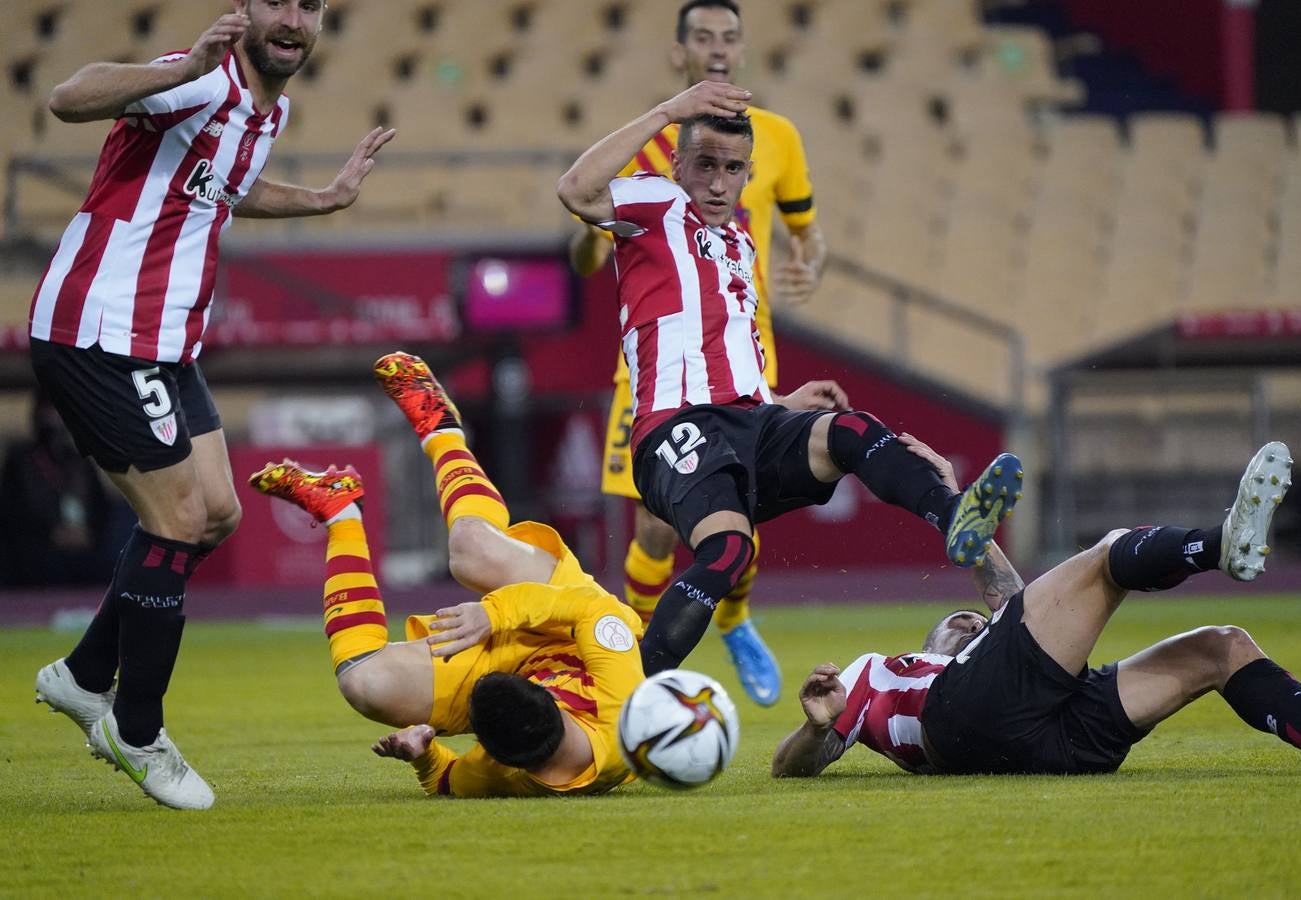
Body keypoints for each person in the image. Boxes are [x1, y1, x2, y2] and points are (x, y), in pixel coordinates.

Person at [30, 1, 395, 810]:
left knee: (219, 514)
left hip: (166, 343)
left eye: (312, 5)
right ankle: (135, 726)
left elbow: (229, 187)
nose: (295, 17)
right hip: (102, 329)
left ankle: (86, 673)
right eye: (278, 1)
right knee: (177, 520)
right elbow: (68, 95)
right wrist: (187, 65)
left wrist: (326, 198)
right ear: (244, 9)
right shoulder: (196, 79)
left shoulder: (272, 106)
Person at [558, 82, 1022, 679]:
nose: (719, 183)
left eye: (733, 169)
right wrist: (671, 111)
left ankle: (957, 521)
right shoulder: (652, 205)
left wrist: (777, 402)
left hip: (750, 420)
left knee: (852, 431)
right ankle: (629, 697)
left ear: (748, 174)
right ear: (677, 163)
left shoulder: (740, 244)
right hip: (673, 425)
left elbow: (722, 347)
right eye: (704, 165)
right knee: (727, 551)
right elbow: (574, 190)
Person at [773, 437, 1301, 779]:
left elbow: (1015, 605)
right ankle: (1216, 544)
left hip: (1052, 736)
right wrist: (812, 728)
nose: (970, 623)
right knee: (1103, 557)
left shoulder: (1004, 637)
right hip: (959, 721)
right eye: (961, 624)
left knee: (1223, 647)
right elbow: (791, 766)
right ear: (931, 645)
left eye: (976, 622)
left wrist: (949, 496)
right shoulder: (880, 672)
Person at [568, 0, 828, 708]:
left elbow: (807, 232)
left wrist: (811, 261)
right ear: (678, 53)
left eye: (729, 37)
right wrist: (589, 240)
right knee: (657, 523)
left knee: (736, 506)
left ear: (743, 50)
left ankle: (736, 620)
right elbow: (585, 235)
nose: (718, 48)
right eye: (703, 37)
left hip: (748, 355)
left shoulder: (778, 138)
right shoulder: (655, 146)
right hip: (656, 367)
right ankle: (636, 648)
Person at [249, 352, 646, 798]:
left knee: (363, 683)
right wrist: (495, 613)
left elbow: (446, 781)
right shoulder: (623, 711)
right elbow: (593, 608)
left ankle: (340, 510)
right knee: (471, 551)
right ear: (548, 701)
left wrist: (422, 754)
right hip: (568, 625)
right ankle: (441, 429)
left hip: (510, 659)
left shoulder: (503, 770)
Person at [0, 387, 127, 587]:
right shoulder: (20, 459)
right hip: (37, 550)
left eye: (58, 412)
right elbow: (12, 511)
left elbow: (101, 507)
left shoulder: (78, 461)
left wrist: (86, 533)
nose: (53, 419)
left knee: (109, 568)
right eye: (48, 411)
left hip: (84, 547)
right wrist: (51, 533)